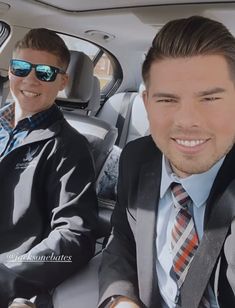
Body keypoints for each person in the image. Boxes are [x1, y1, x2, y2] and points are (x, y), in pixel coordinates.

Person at [98, 15, 235, 308]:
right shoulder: (136, 158)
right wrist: (120, 298)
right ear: (147, 104)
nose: (187, 121)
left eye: (210, 99)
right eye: (167, 100)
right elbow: (122, 238)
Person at [0, 28, 98, 307]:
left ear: (63, 81)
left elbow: (74, 236)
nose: (30, 79)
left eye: (44, 73)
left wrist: (9, 277)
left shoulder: (69, 147)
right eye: (21, 68)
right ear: (10, 71)